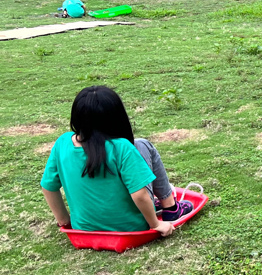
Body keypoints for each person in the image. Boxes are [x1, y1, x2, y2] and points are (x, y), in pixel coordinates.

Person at [41, 86, 194, 234]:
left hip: (83, 229)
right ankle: (171, 208)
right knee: (142, 144)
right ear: (116, 117)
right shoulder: (122, 147)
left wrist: (64, 221)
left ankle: (161, 205)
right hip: (131, 227)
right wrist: (156, 224)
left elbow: (48, 187)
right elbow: (139, 195)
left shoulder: (62, 143)